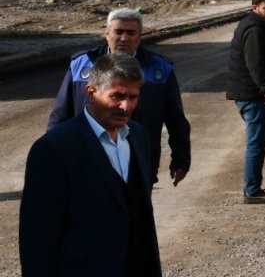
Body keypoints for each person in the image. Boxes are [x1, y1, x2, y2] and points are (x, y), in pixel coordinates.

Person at [21, 53, 162, 276]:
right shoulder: (54, 148)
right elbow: (38, 235)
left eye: (133, 97)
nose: (125, 106)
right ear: (91, 93)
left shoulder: (139, 136)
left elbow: (140, 214)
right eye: (116, 96)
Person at [47, 7, 191, 186]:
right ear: (107, 33)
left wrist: (181, 159)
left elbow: (176, 119)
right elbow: (61, 115)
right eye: (118, 32)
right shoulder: (81, 65)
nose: (124, 38)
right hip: (86, 160)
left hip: (138, 162)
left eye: (131, 33)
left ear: (139, 37)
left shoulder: (159, 69)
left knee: (134, 213)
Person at [227, 0, 265, 204]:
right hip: (252, 95)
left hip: (249, 93)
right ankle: (252, 190)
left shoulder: (257, 25)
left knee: (257, 142)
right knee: (256, 143)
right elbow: (255, 64)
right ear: (255, 8)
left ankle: (253, 188)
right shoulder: (255, 29)